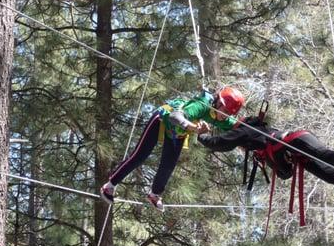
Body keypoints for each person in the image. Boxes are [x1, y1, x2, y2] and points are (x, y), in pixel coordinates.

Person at [99, 87, 245, 211]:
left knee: (168, 165)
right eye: (225, 111)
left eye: (229, 113)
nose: (225, 116)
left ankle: (154, 194)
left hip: (178, 132)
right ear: (218, 102)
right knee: (140, 155)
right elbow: (175, 116)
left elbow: (238, 126)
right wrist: (194, 128)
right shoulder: (201, 105)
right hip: (163, 119)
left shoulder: (220, 116)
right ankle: (109, 186)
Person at [197, 116, 334, 206]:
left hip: (296, 140)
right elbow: (285, 173)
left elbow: (220, 143)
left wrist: (201, 136)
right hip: (296, 154)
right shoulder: (262, 147)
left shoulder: (246, 131)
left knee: (323, 154)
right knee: (331, 176)